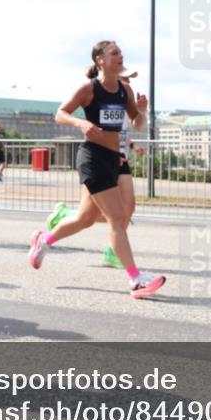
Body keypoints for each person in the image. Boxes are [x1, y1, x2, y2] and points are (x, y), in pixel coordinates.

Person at [28, 41, 166, 299]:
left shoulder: (125, 91)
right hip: (92, 158)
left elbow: (136, 124)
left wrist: (143, 111)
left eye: (121, 53)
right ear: (99, 59)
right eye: (115, 53)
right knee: (117, 218)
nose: (120, 56)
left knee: (85, 218)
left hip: (114, 159)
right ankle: (135, 280)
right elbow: (60, 113)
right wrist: (81, 123)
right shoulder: (89, 89)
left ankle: (44, 241)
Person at [47, 70, 143, 269]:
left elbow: (128, 130)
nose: (127, 82)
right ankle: (63, 217)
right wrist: (82, 123)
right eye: (125, 77)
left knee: (128, 208)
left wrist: (142, 112)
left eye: (129, 80)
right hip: (97, 157)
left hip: (118, 157)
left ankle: (113, 252)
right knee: (88, 217)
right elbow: (65, 114)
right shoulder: (96, 93)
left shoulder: (126, 96)